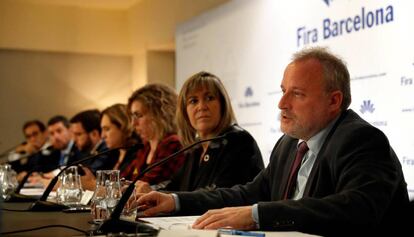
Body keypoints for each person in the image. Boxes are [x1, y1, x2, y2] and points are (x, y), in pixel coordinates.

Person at [136, 47, 410, 236]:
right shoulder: (290, 143)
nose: (281, 103)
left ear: (334, 100)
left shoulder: (360, 140)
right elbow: (249, 193)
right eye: (282, 92)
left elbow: (355, 209)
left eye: (297, 94)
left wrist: (258, 215)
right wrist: (174, 201)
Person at [135, 72, 264, 193]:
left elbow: (218, 195)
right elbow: (175, 186)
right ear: (185, 112)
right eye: (193, 101)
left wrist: (169, 198)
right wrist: (150, 191)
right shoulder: (195, 148)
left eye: (209, 98)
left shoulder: (238, 140)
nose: (201, 106)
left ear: (223, 105)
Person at [123, 83, 184, 188]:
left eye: (139, 115)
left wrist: (97, 185)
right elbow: (124, 178)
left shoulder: (173, 144)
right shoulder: (145, 147)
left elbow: (144, 186)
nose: (133, 123)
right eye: (132, 116)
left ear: (160, 114)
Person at [80, 103, 139, 190]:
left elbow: (128, 189)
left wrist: (92, 185)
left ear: (124, 126)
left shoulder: (138, 155)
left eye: (107, 129)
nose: (103, 136)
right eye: (102, 130)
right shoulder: (112, 153)